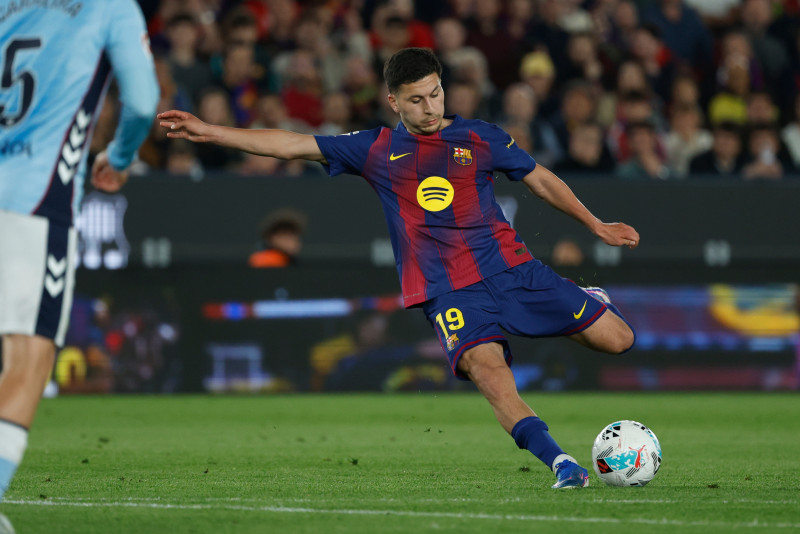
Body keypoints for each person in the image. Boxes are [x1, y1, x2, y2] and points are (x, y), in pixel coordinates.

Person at [158, 47, 639, 490]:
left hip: (514, 271)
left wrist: (595, 224)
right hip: (449, 293)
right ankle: (561, 465)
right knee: (489, 374)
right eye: (417, 101)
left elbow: (540, 180)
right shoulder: (376, 149)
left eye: (435, 94)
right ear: (394, 102)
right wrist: (210, 131)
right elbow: (290, 144)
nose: (430, 108)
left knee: (619, 341)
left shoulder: (479, 137)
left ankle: (591, 299)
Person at [0, 1, 159, 531]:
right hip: (33, 202)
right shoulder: (110, 7)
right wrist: (117, 158)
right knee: (30, 356)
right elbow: (140, 100)